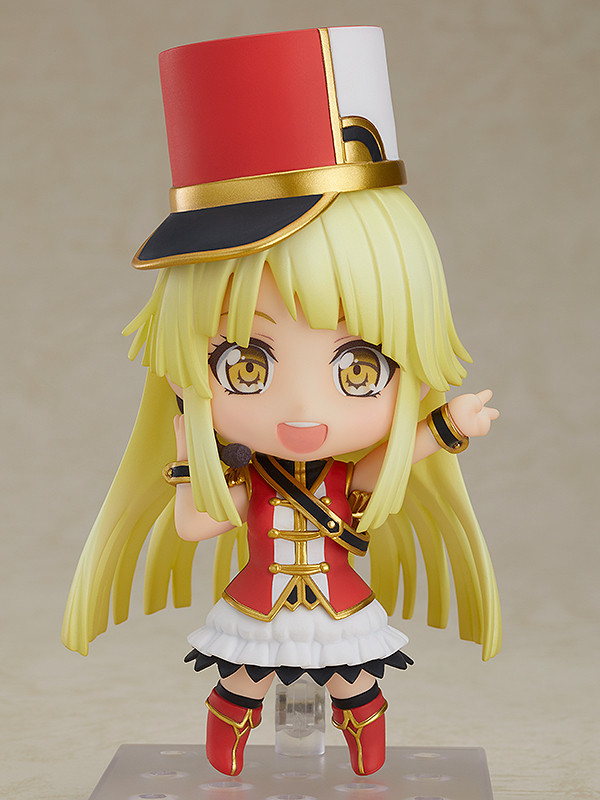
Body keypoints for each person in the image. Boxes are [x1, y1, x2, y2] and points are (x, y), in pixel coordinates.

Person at [62, 27, 501, 778]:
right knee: (242, 678)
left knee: (355, 680)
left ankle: (364, 738)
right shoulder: (247, 472)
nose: (302, 407)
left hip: (339, 601)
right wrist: (190, 456)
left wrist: (444, 429)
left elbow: (377, 478)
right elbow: (198, 524)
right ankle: (228, 735)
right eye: (245, 365)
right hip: (260, 600)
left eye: (359, 367)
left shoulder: (341, 477)